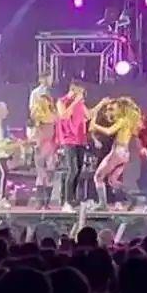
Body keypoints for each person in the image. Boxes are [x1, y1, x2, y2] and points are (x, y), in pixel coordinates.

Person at [89, 96, 141, 209]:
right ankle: (132, 198)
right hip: (124, 154)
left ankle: (102, 205)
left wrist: (95, 126)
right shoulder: (127, 121)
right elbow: (110, 121)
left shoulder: (123, 121)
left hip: (118, 152)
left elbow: (108, 131)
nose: (110, 111)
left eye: (113, 109)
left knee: (98, 177)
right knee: (112, 181)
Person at [55, 81, 88, 211]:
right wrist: (74, 102)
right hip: (69, 139)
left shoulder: (80, 103)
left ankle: (73, 199)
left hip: (80, 139)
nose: (82, 94)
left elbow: (88, 115)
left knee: (79, 170)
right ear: (73, 89)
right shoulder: (62, 101)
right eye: (80, 91)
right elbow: (64, 115)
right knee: (72, 169)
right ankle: (67, 201)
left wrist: (101, 104)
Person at [28, 92, 58, 208]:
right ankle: (39, 201)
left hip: (51, 146)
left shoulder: (54, 114)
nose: (43, 103)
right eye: (41, 101)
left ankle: (47, 202)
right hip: (41, 145)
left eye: (45, 100)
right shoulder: (37, 115)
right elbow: (33, 127)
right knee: (41, 173)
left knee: (50, 173)